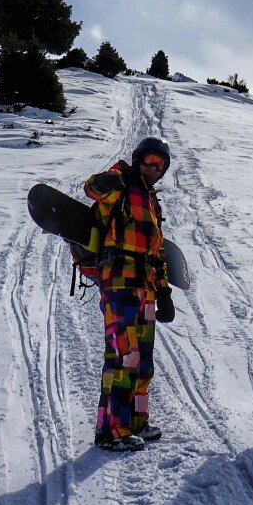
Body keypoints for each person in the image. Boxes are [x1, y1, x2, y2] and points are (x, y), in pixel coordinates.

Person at [82, 135, 176, 452]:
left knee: (143, 360)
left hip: (146, 287)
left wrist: (164, 292)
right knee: (122, 356)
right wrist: (113, 176)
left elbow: (157, 252)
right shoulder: (120, 184)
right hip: (119, 281)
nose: (154, 167)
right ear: (138, 160)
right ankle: (111, 430)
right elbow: (91, 189)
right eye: (149, 161)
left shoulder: (151, 203)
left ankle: (136, 422)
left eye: (160, 164)